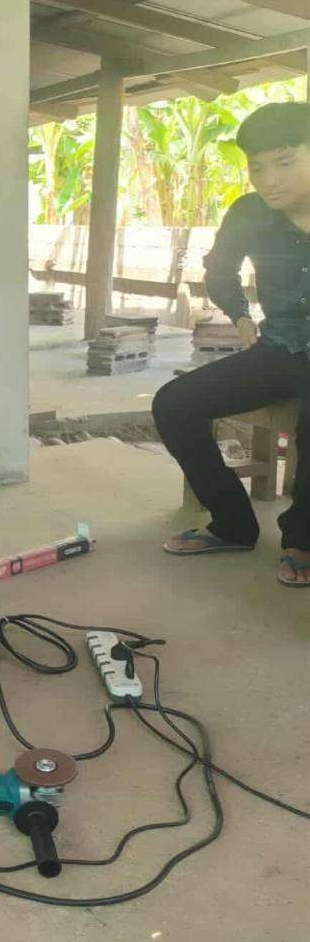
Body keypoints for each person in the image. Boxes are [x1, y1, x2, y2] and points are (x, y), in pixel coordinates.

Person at [153, 101, 310, 587]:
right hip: (281, 348)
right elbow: (219, 272)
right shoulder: (249, 213)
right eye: (257, 167)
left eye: (284, 161)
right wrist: (241, 318)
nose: (269, 178)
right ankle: (233, 524)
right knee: (174, 403)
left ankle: (302, 539)